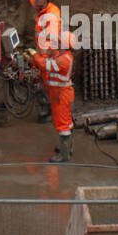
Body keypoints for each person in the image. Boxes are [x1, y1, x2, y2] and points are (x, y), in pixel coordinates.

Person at [31, 31, 75, 162]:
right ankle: (67, 147)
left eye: (60, 41)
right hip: (60, 94)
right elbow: (47, 58)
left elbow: (46, 65)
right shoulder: (60, 54)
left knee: (63, 124)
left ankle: (64, 154)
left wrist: (34, 56)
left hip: (61, 95)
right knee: (67, 121)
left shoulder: (64, 59)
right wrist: (37, 56)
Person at [22, 0, 61, 123]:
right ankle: (47, 109)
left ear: (45, 0)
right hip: (42, 54)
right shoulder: (42, 7)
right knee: (42, 85)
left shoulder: (51, 17)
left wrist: (38, 58)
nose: (36, 0)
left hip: (49, 56)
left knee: (48, 87)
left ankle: (51, 112)